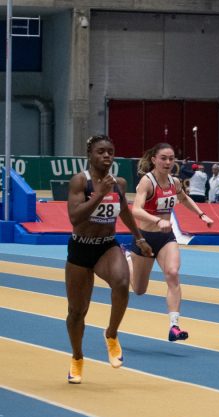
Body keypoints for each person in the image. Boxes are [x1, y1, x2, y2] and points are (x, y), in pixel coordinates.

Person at [65, 135, 153, 384]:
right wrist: (98, 195)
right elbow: (74, 218)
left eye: (111, 152)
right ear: (90, 155)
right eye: (101, 151)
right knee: (76, 312)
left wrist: (139, 238)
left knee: (122, 282)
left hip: (107, 246)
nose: (107, 156)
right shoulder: (80, 181)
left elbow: (123, 211)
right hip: (81, 249)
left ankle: (111, 334)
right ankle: (77, 357)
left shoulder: (120, 183)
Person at [129, 143, 214, 342]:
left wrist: (202, 215)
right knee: (139, 290)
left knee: (173, 274)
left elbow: (184, 199)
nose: (168, 162)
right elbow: (136, 210)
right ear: (154, 160)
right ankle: (128, 258)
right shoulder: (147, 182)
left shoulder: (174, 182)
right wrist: (158, 220)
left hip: (166, 239)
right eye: (163, 158)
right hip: (145, 239)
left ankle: (174, 326)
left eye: (171, 158)